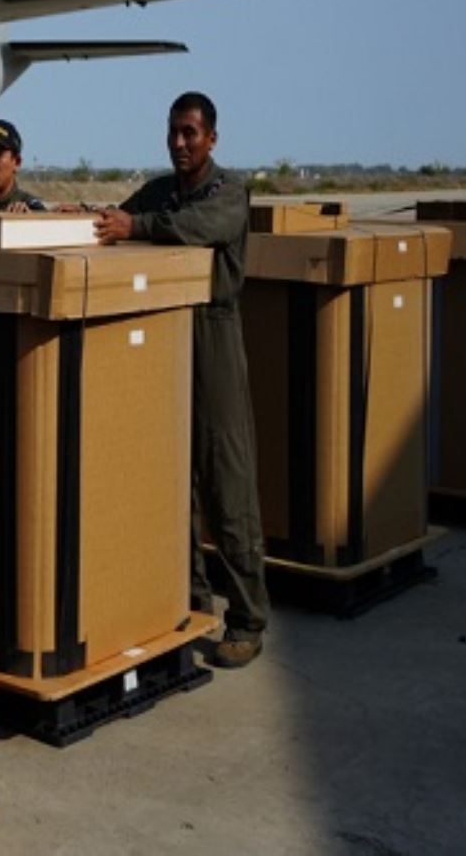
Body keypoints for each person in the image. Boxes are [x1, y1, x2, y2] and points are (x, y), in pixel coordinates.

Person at [93, 91, 270, 669]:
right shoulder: (160, 191)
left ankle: (247, 617)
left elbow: (195, 229)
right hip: (169, 332)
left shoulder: (228, 192)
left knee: (227, 477)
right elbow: (119, 219)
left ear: (212, 138)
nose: (179, 143)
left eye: (190, 133)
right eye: (173, 132)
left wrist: (138, 226)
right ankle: (189, 602)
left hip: (214, 335)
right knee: (173, 479)